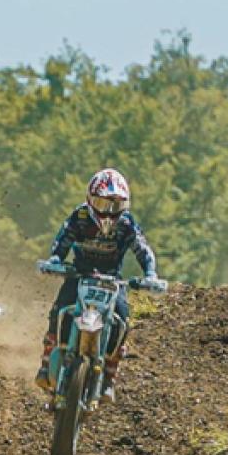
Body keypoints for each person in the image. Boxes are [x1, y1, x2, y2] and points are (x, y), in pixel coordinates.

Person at [35, 169, 163, 403]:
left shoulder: (127, 223)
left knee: (123, 320)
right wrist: (55, 260)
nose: (108, 212)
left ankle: (109, 378)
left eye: (115, 206)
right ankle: (45, 364)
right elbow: (63, 240)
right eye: (103, 204)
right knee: (59, 311)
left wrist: (150, 274)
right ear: (90, 199)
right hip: (79, 274)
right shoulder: (80, 216)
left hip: (112, 280)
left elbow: (142, 249)